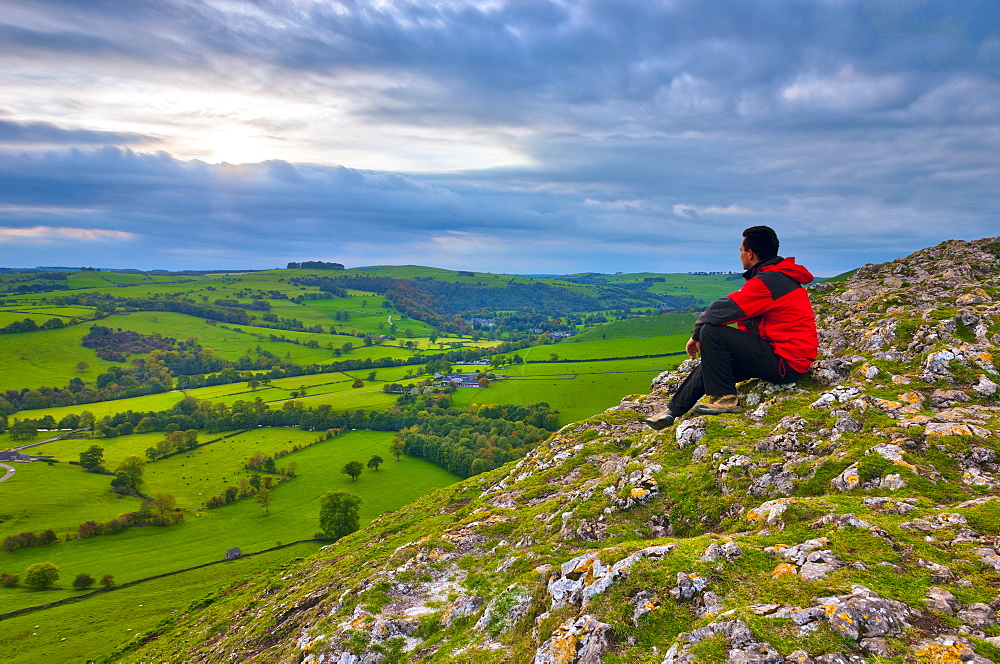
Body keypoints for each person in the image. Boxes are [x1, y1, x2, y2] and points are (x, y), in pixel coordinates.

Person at [646, 226, 817, 429]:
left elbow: (721, 310)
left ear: (750, 253)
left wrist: (697, 333)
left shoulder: (769, 281)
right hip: (777, 355)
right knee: (712, 364)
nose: (741, 255)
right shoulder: (776, 277)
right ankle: (673, 411)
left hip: (784, 363)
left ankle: (725, 399)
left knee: (711, 331)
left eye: (741, 250)